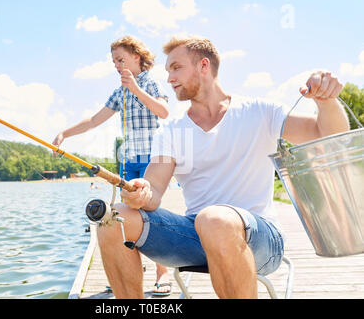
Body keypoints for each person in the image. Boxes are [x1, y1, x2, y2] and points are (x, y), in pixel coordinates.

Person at [96, 35, 350, 298]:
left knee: (214, 219)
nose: (169, 78)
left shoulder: (259, 112)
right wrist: (142, 193)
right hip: (195, 236)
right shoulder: (173, 131)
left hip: (261, 237)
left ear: (204, 66)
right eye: (168, 71)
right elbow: (155, 190)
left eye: (176, 68)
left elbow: (327, 134)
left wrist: (326, 101)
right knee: (113, 219)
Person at [52, 35, 172, 295]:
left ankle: (162, 274)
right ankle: (132, 268)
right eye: (114, 61)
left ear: (136, 57)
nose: (117, 65)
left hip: (153, 161)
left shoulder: (150, 83)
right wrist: (65, 134)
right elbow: (94, 120)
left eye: (121, 59)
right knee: (124, 217)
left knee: (153, 214)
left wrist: (136, 89)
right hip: (128, 161)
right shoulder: (119, 92)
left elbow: (163, 111)